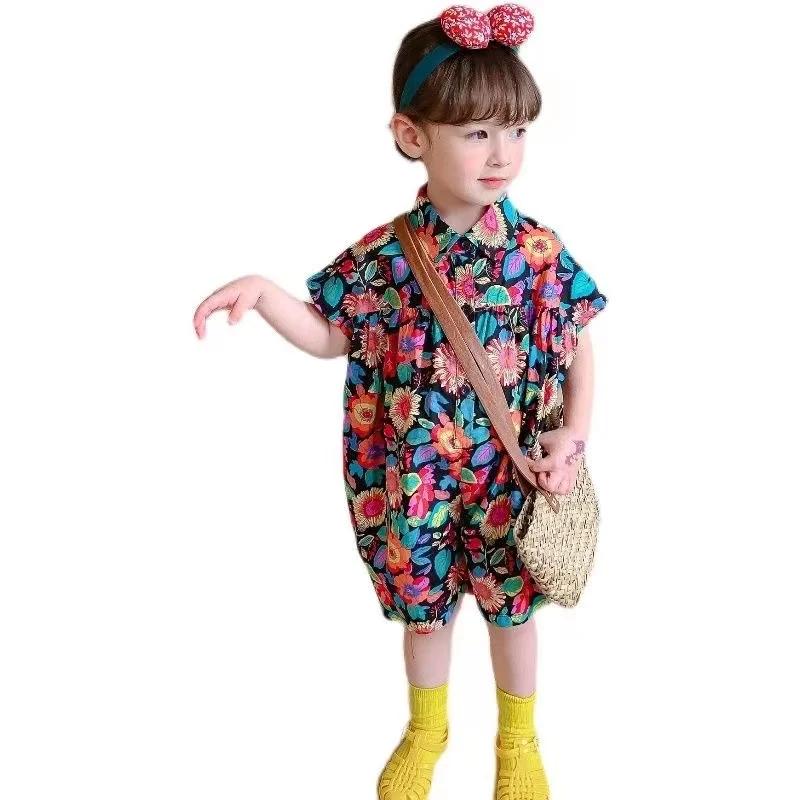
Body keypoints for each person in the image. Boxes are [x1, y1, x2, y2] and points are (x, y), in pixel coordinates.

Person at [193, 5, 607, 798]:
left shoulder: (537, 251)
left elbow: (578, 340)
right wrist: (267, 294)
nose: (502, 153)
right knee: (425, 614)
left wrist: (574, 436)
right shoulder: (386, 256)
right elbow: (330, 335)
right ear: (413, 135)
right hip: (413, 475)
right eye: (477, 133)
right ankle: (427, 726)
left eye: (516, 130)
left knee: (513, 613)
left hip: (508, 475)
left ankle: (518, 739)